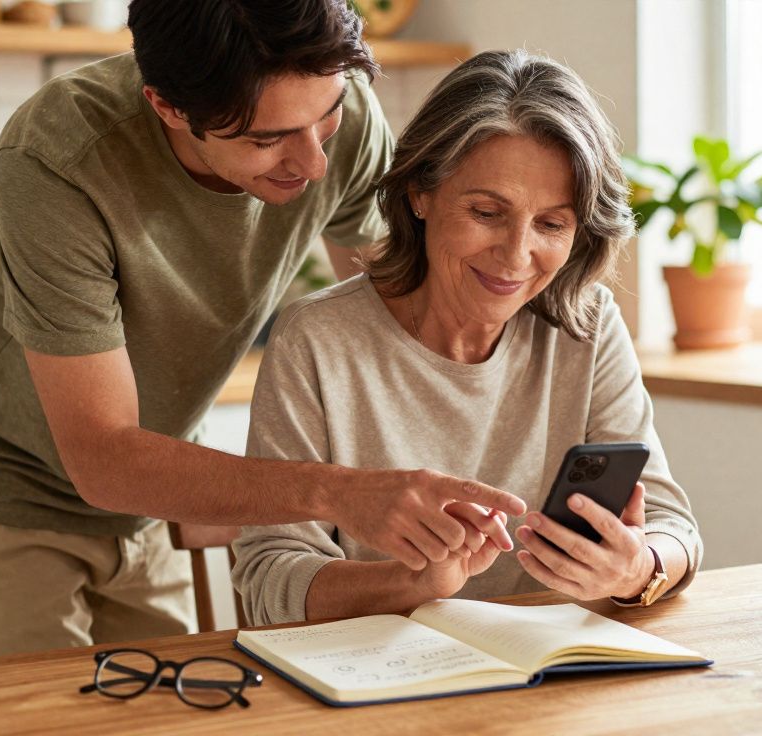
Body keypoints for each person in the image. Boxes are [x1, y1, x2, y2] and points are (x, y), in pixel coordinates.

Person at [0, 0, 525, 662]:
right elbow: (102, 455)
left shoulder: (336, 119)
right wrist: (342, 492)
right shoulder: (58, 159)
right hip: (6, 480)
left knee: (176, 714)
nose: (313, 163)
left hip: (150, 487)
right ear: (168, 107)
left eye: (327, 119)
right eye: (267, 140)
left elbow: (400, 324)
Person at [233, 50, 703, 626]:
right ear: (420, 194)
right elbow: (269, 580)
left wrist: (637, 570)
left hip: (550, 687)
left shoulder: (587, 324)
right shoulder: (319, 339)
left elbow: (672, 527)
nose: (515, 255)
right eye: (486, 212)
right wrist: (415, 584)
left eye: (552, 224)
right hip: (376, 691)